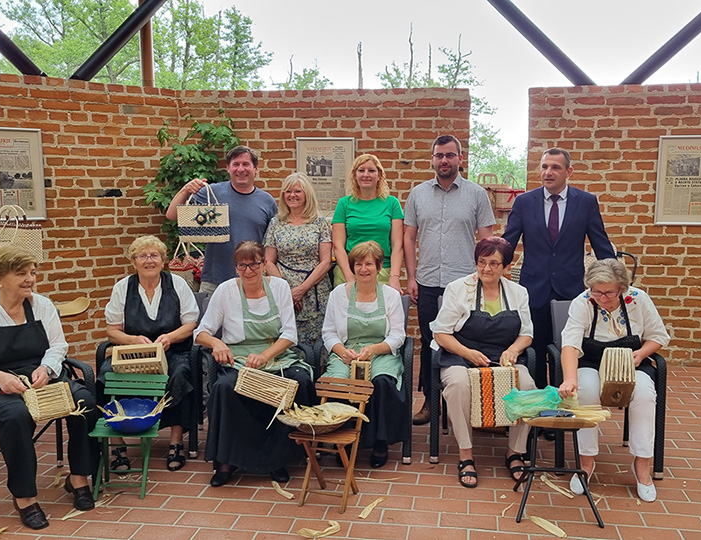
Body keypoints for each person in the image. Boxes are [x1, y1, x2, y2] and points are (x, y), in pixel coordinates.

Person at [0, 245, 98, 530]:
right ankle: (25, 497)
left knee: (84, 402)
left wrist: (46, 368)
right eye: (21, 274)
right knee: (16, 415)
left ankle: (79, 478)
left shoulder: (41, 305)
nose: (30, 279)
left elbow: (57, 346)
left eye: (32, 273)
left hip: (42, 378)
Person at [196, 241, 314, 487]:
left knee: (299, 381)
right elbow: (201, 332)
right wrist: (216, 344)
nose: (248, 270)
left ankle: (278, 459)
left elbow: (289, 334)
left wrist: (265, 356)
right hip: (238, 359)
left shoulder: (280, 287)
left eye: (253, 264)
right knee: (224, 388)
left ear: (264, 264)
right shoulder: (226, 291)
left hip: (276, 355)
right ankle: (226, 461)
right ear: (235, 267)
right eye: (242, 265)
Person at [557, 259, 669, 502]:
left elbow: (658, 336)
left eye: (609, 292)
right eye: (596, 291)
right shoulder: (583, 302)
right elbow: (570, 344)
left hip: (630, 361)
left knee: (644, 395)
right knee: (585, 390)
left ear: (622, 288)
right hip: (591, 361)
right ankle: (586, 462)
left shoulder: (639, 299)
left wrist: (642, 353)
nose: (602, 298)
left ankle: (642, 465)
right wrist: (570, 379)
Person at [502, 147, 615, 386]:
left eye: (555, 167)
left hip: (570, 289)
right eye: (544, 167)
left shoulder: (586, 202)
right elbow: (508, 243)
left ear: (568, 171)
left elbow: (601, 245)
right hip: (533, 288)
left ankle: (564, 398)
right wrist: (490, 265)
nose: (548, 172)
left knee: (568, 348)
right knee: (534, 350)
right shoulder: (524, 202)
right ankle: (538, 402)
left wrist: (615, 281)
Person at [403, 134, 496, 425]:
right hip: (428, 282)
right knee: (430, 341)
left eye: (450, 155)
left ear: (460, 159)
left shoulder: (477, 194)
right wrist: (411, 277)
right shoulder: (417, 194)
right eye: (440, 155)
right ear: (432, 159)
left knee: (466, 339)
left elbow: (487, 241)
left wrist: (487, 279)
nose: (444, 160)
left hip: (465, 284)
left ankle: (471, 402)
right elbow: (409, 238)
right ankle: (431, 403)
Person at [431, 236, 536, 488]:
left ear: (506, 267)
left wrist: (513, 350)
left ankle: (515, 452)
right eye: (481, 262)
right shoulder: (458, 288)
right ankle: (466, 454)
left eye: (494, 263)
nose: (486, 269)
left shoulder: (518, 292)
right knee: (458, 385)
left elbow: (527, 334)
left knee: (528, 387)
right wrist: (468, 353)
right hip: (460, 354)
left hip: (502, 357)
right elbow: (441, 333)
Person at [100, 235, 199, 471]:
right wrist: (133, 340)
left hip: (173, 350)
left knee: (181, 372)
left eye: (154, 255)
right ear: (133, 261)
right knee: (104, 376)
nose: (149, 260)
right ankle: (118, 445)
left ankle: (176, 442)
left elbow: (191, 324)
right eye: (142, 256)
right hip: (134, 354)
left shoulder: (177, 284)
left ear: (163, 260)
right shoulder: (122, 287)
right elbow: (112, 331)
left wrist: (170, 337)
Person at [321, 241, 406, 468]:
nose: (363, 269)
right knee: (337, 382)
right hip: (347, 351)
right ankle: (343, 442)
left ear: (378, 267)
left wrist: (375, 349)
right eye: (358, 264)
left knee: (381, 381)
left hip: (381, 352)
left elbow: (398, 335)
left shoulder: (390, 295)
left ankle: (380, 442)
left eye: (369, 264)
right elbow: (328, 332)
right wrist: (341, 351)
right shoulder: (338, 294)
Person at [166, 145, 278, 294]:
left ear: (256, 168)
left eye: (246, 164)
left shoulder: (267, 201)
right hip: (214, 280)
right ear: (228, 168)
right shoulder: (211, 193)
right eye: (236, 164)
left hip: (252, 279)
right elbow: (172, 215)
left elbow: (272, 244)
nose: (241, 169)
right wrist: (186, 189)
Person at [264, 172, 333, 348]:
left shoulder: (320, 223)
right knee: (286, 338)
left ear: (307, 194)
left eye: (297, 191)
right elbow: (268, 261)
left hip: (315, 290)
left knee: (316, 343)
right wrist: (287, 291)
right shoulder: (276, 223)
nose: (292, 195)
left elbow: (326, 261)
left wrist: (301, 290)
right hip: (283, 291)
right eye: (288, 191)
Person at [331, 154, 404, 291]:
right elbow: (338, 246)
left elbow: (397, 245)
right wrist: (350, 278)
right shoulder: (344, 204)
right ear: (355, 175)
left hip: (382, 271)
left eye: (371, 170)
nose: (366, 174)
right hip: (349, 271)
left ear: (379, 175)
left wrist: (394, 277)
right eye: (361, 170)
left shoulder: (392, 203)